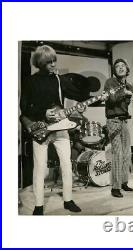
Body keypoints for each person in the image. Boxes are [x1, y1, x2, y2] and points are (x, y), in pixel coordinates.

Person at [20, 45, 82, 215]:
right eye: (49, 62)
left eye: (55, 60)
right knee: (40, 168)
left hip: (61, 127)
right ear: (40, 63)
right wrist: (43, 112)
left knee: (67, 165)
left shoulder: (59, 79)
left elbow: (79, 95)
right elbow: (24, 107)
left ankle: (68, 200)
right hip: (41, 129)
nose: (54, 64)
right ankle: (38, 205)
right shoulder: (30, 82)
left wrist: (83, 104)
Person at [104, 59, 133, 198]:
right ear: (115, 70)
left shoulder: (128, 85)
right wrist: (124, 94)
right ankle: (115, 187)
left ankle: (124, 182)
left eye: (122, 66)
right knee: (118, 154)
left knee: (127, 153)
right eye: (117, 66)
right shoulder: (110, 82)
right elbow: (111, 100)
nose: (120, 68)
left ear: (127, 69)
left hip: (124, 121)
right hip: (113, 121)